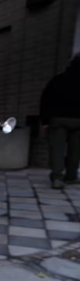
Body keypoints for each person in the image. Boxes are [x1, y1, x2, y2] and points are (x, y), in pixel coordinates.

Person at [40, 52, 80, 189]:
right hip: (78, 119)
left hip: (57, 119)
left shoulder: (57, 80)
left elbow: (45, 100)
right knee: (76, 150)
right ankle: (71, 176)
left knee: (57, 149)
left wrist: (45, 121)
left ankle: (57, 177)